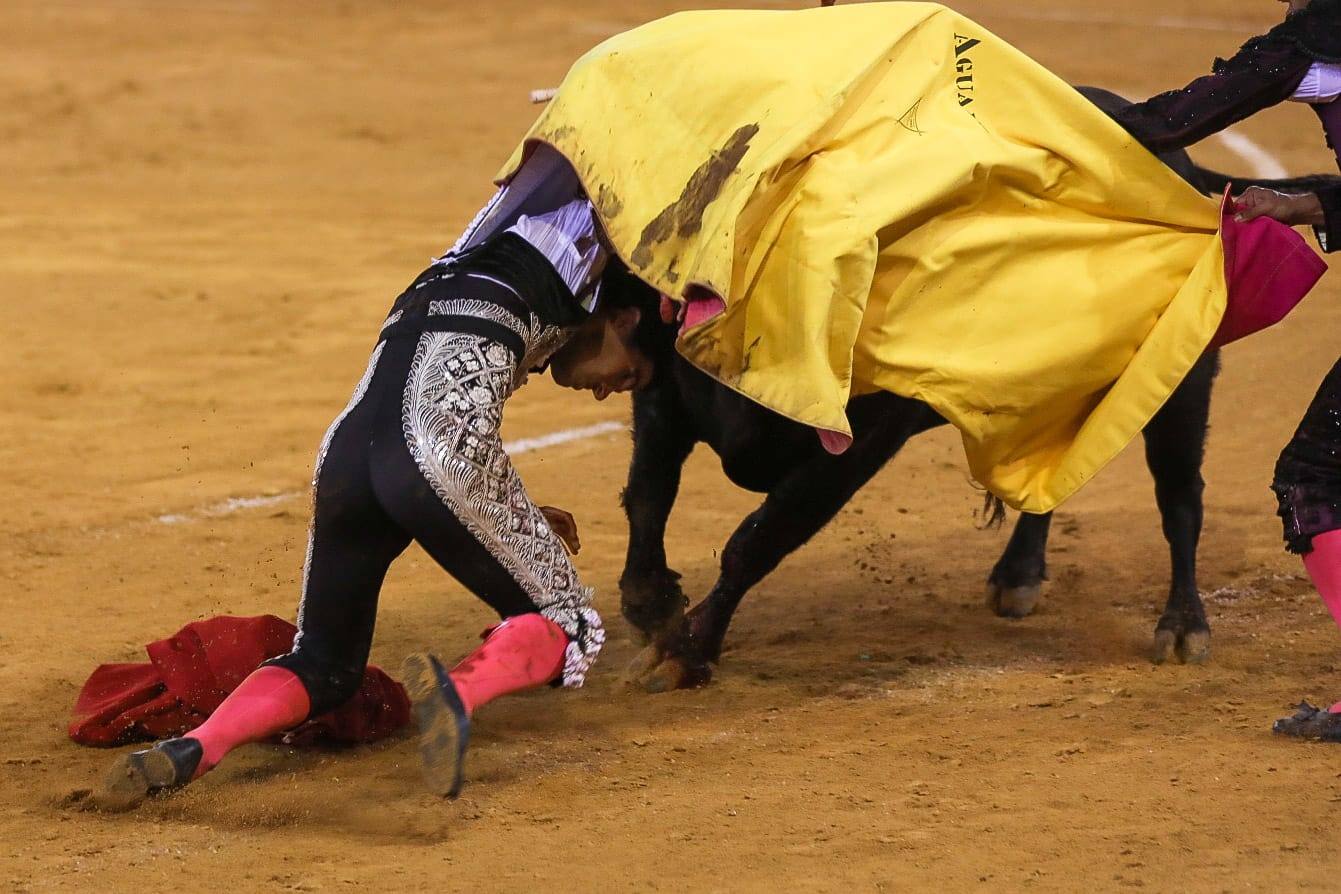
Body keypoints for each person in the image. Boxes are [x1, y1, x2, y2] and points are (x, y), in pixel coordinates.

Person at [98, 150, 664, 808]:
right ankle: (458, 692)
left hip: (346, 459)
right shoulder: (575, 249)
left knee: (324, 663)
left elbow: (422, 418)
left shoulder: (475, 263)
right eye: (627, 374)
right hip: (435, 454)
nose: (606, 393)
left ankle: (193, 748)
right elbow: (437, 434)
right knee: (567, 623)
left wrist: (515, 511)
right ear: (623, 319)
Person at [1113, 0, 1341, 740]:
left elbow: (1165, 124)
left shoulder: (1317, 41)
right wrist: (1304, 201)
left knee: (1315, 475)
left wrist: (1033, 115)